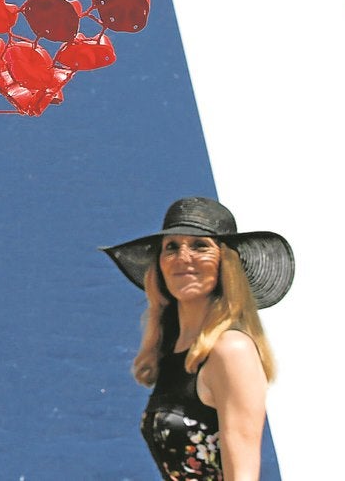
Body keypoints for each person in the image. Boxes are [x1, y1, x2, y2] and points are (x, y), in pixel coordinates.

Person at [101, 197, 294, 481]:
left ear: (225, 263)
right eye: (172, 247)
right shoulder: (173, 350)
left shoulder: (231, 350)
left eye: (200, 246)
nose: (183, 258)